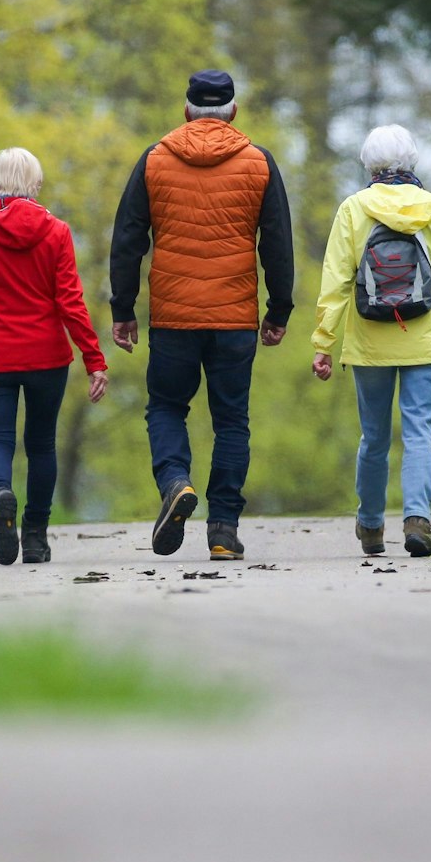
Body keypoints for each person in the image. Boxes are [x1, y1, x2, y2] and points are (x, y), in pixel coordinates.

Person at [109, 69, 294, 561]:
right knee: (231, 420)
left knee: (167, 407)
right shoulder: (258, 162)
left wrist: (123, 308)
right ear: (233, 111)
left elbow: (129, 238)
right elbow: (276, 243)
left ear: (187, 110)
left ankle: (175, 482)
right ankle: (223, 531)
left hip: (173, 316)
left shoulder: (155, 159)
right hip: (234, 318)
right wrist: (279, 309)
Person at [309, 124, 431, 558]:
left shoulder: (353, 209)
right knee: (419, 432)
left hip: (370, 340)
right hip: (427, 338)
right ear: (412, 162)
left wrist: (323, 342)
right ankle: (417, 520)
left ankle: (371, 526)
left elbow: (334, 282)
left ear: (368, 165)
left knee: (373, 437)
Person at [0, 148, 110, 566]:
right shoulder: (56, 231)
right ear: (35, 184)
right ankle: (35, 537)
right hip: (46, 356)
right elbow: (70, 302)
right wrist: (94, 359)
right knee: (41, 445)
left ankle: (1, 493)